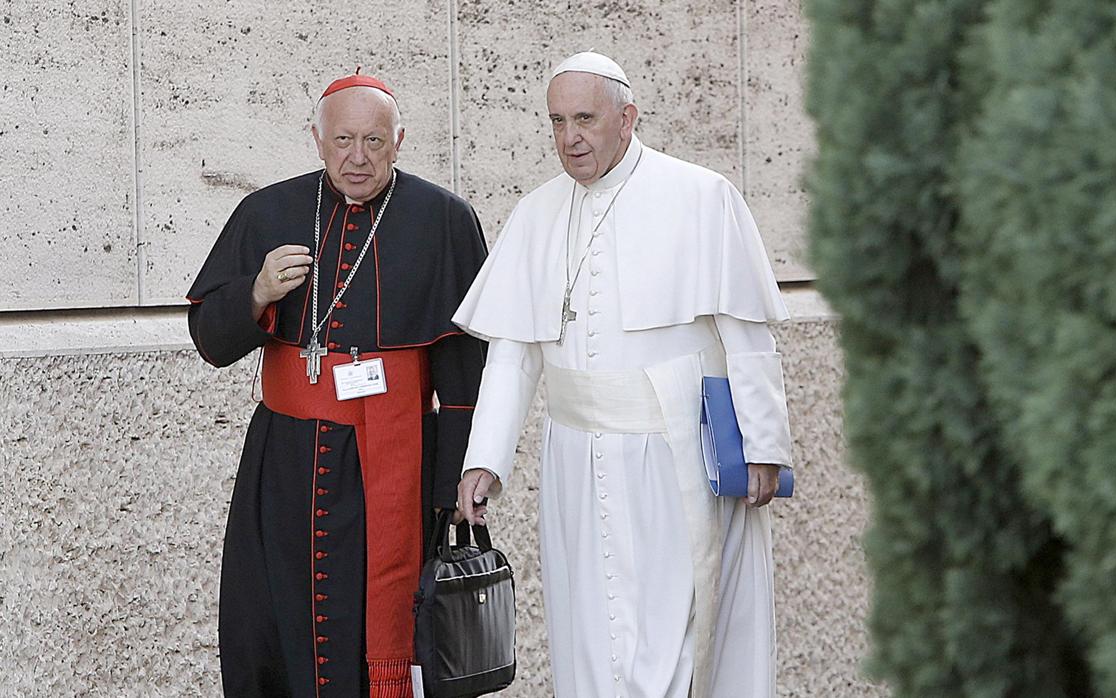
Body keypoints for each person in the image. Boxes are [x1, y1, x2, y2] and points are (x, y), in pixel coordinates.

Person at [453, 52, 793, 698]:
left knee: (673, 633)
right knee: (591, 631)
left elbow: (746, 334)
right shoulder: (537, 212)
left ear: (627, 118)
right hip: (575, 458)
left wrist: (764, 444)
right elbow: (515, 351)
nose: (569, 138)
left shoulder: (701, 196)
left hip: (671, 455)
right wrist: (486, 460)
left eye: (585, 119)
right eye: (557, 122)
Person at [187, 73, 487, 698]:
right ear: (317, 140)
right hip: (287, 463)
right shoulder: (267, 212)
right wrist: (259, 292)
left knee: (389, 625)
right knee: (275, 616)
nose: (358, 156)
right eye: (343, 139)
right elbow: (210, 342)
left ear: (399, 141)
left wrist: (459, 476)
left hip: (400, 463)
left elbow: (463, 375)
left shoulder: (445, 221)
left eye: (374, 140)